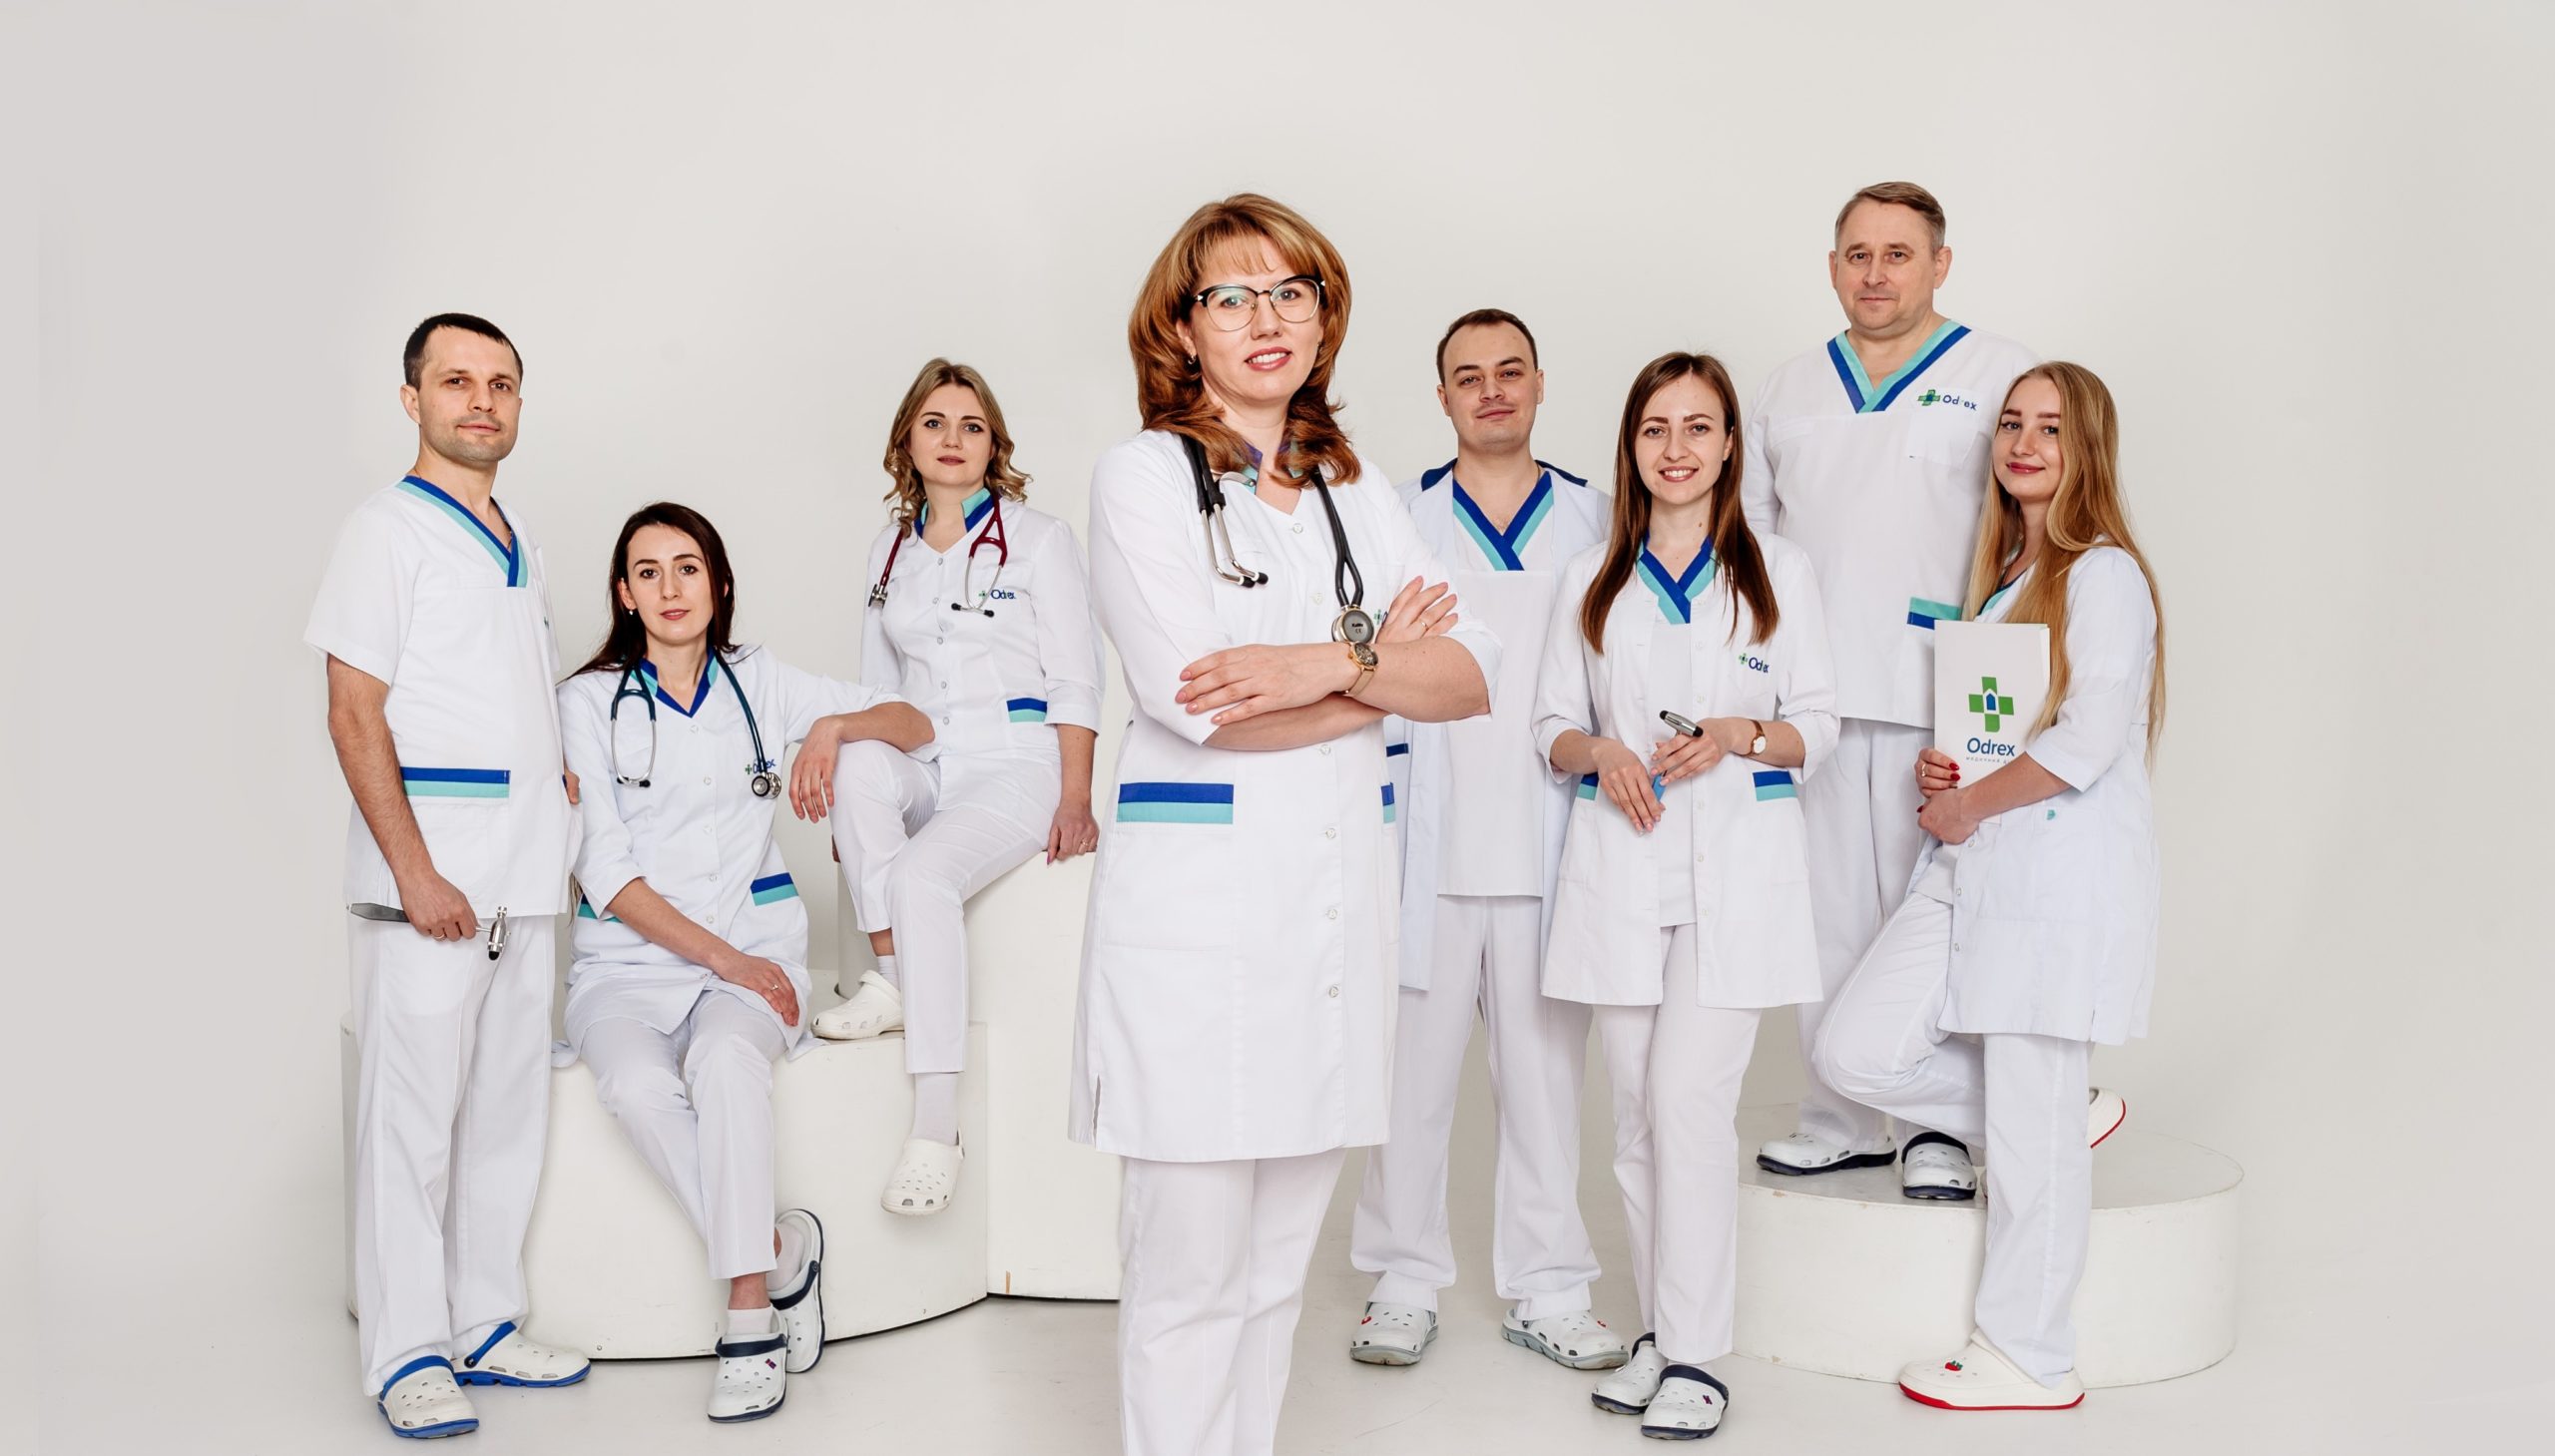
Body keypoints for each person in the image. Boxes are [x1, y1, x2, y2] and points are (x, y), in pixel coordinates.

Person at [1070, 194, 1498, 1456]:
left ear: (1324, 317)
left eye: (1292, 292)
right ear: (1181, 327)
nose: (1267, 317)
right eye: (1232, 295)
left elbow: (1467, 677)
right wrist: (1379, 673)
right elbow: (1200, 703)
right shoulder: (1143, 476)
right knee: (1188, 1276)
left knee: (1271, 1277)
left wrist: (1318, 662)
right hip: (1198, 936)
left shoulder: (1350, 489)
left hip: (1326, 930)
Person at [1811, 362, 2161, 1411]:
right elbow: (2000, 733)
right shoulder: (2007, 576)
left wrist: (1970, 802)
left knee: (2031, 1134)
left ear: (2087, 447)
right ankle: (2059, 1113)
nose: (2023, 443)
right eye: (2011, 422)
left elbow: (2088, 739)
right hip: (1972, 864)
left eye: (2050, 427)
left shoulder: (2103, 575)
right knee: (1852, 1048)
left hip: (2048, 876)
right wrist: (1947, 771)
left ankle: (2029, 1357)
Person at [558, 503, 933, 1422]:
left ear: (718, 583)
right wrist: (722, 958)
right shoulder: (585, 703)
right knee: (635, 1087)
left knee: (726, 1060)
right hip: (625, 964)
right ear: (624, 594)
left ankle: (748, 1316)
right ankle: (778, 1247)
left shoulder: (758, 680)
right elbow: (605, 869)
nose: (670, 588)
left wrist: (832, 727)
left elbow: (914, 719)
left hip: (757, 949)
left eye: (687, 567)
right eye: (648, 572)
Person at [1533, 351, 1837, 1440]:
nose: (1676, 448)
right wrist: (1601, 752)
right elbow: (1549, 725)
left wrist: (1739, 732)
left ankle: (1698, 1355)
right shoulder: (1591, 578)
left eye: (1698, 427)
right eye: (1656, 428)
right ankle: (1663, 1332)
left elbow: (1819, 724)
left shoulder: (1778, 572)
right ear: (1632, 446)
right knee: (1633, 1116)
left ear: (1728, 445)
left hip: (1735, 885)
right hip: (1622, 870)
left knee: (1686, 1102)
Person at [306, 313, 588, 1438]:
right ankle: (407, 1352)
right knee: (411, 1124)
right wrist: (414, 870)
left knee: (504, 1116)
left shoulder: (516, 538)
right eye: (458, 380)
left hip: (525, 880)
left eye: (502, 383)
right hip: (430, 884)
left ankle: (484, 1323)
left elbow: (503, 694)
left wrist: (560, 788)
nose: (482, 400)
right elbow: (352, 710)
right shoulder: (385, 531)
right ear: (412, 398)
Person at [1742, 181, 2040, 1200]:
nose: (1876, 274)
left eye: (1898, 254)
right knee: (1824, 913)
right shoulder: (1787, 388)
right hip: (1814, 695)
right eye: (1857, 255)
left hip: (1941, 692)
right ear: (1833, 267)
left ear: (1940, 264)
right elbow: (1753, 548)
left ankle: (1935, 1126)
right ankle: (1838, 1115)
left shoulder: (1997, 374)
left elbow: (2030, 521)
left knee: (1933, 913)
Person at [1344, 308, 1620, 1371]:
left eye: (1510, 371)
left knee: (1545, 1087)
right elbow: (1355, 664)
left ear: (1541, 383)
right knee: (1408, 1084)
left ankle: (1550, 1288)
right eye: (1469, 375)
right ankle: (1402, 1279)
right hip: (1425, 842)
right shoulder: (1397, 515)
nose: (1492, 389)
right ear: (1442, 396)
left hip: (1549, 839)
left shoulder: (1599, 518)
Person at [808, 359, 1104, 1218]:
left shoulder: (1039, 539)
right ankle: (895, 978)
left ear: (993, 445)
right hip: (932, 758)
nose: (952, 439)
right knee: (857, 757)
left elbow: (1077, 677)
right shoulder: (889, 550)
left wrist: (1075, 796)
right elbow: (877, 693)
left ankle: (936, 1127)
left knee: (921, 874)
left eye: (971, 426)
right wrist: (852, 797)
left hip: (1019, 762)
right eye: (934, 422)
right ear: (907, 439)